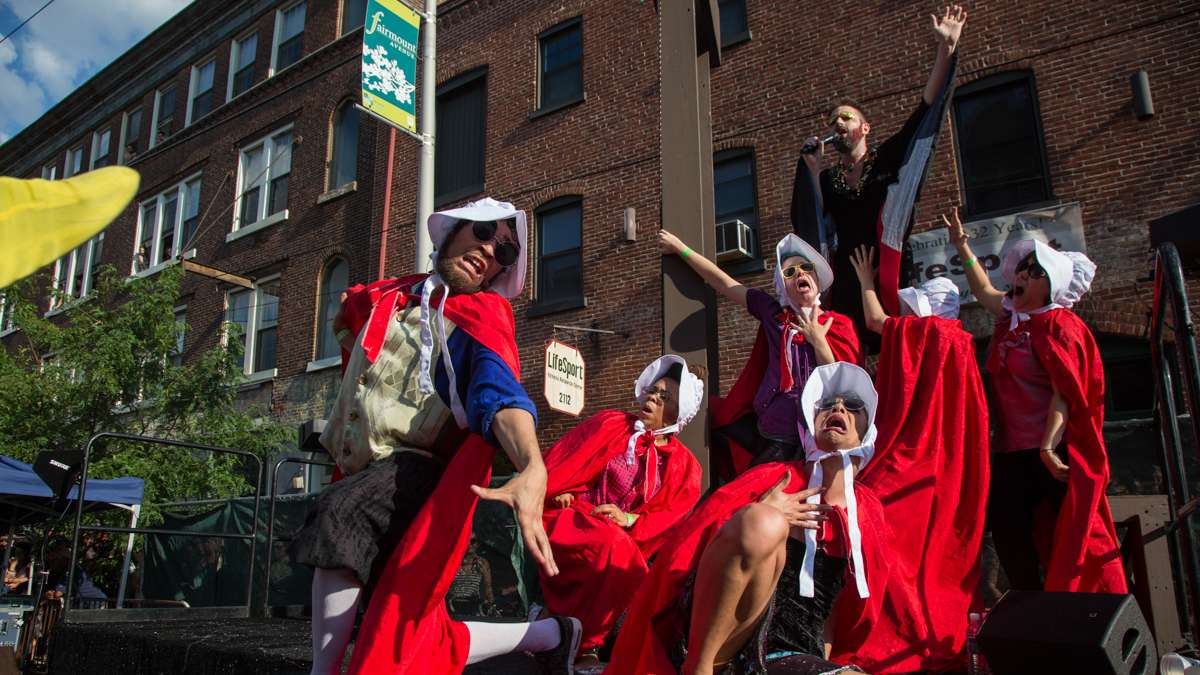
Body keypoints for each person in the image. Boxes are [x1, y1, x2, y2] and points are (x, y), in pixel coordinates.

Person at [290, 198, 579, 675]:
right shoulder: (390, 298)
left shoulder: (478, 317)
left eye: (505, 253)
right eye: (485, 234)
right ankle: (554, 634)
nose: (490, 252)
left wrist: (532, 463)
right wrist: (346, 306)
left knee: (339, 515)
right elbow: (350, 314)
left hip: (417, 475)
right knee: (409, 634)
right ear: (452, 230)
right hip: (365, 470)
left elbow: (499, 390)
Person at [608, 362, 885, 675]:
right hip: (726, 648)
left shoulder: (868, 512)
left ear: (867, 431)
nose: (838, 407)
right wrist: (757, 515)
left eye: (853, 406)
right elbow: (691, 548)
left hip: (793, 655)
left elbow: (841, 612)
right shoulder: (774, 478)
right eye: (826, 404)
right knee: (763, 522)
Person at [945, 207, 1127, 594]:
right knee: (1009, 531)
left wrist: (1048, 445)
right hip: (1012, 452)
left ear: (1053, 286)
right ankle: (1029, 609)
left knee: (1072, 539)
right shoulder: (1012, 317)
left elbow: (1066, 392)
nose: (1023, 274)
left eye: (1035, 271)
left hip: (1053, 453)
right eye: (1023, 268)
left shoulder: (1059, 326)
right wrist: (962, 246)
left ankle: (1087, 611)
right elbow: (981, 290)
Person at [845, 245, 991, 673]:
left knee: (880, 531)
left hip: (911, 458)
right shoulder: (964, 344)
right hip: (949, 470)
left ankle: (888, 634)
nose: (907, 315)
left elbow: (874, 320)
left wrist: (866, 281)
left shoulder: (930, 335)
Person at [791, 6, 967, 347]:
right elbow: (809, 219)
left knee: (892, 347)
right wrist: (811, 171)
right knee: (846, 346)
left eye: (845, 118)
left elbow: (925, 112)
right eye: (832, 123)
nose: (837, 124)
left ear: (864, 128)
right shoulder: (828, 179)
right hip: (845, 277)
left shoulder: (885, 160)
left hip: (888, 269)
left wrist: (946, 50)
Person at [537, 355, 704, 667]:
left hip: (625, 538)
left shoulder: (684, 465)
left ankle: (568, 632)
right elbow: (565, 459)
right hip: (575, 519)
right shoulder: (611, 424)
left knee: (627, 562)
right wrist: (565, 491)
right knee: (612, 548)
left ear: (678, 412)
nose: (653, 398)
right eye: (653, 391)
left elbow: (671, 517)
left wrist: (628, 519)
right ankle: (582, 641)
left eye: (664, 397)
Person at [659, 229, 861, 481]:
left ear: (817, 279)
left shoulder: (839, 324)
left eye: (805, 267)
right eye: (789, 271)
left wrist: (817, 339)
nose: (799, 273)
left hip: (819, 430)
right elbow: (724, 283)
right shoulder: (774, 315)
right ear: (783, 285)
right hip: (777, 428)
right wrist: (681, 248)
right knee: (756, 486)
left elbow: (839, 383)